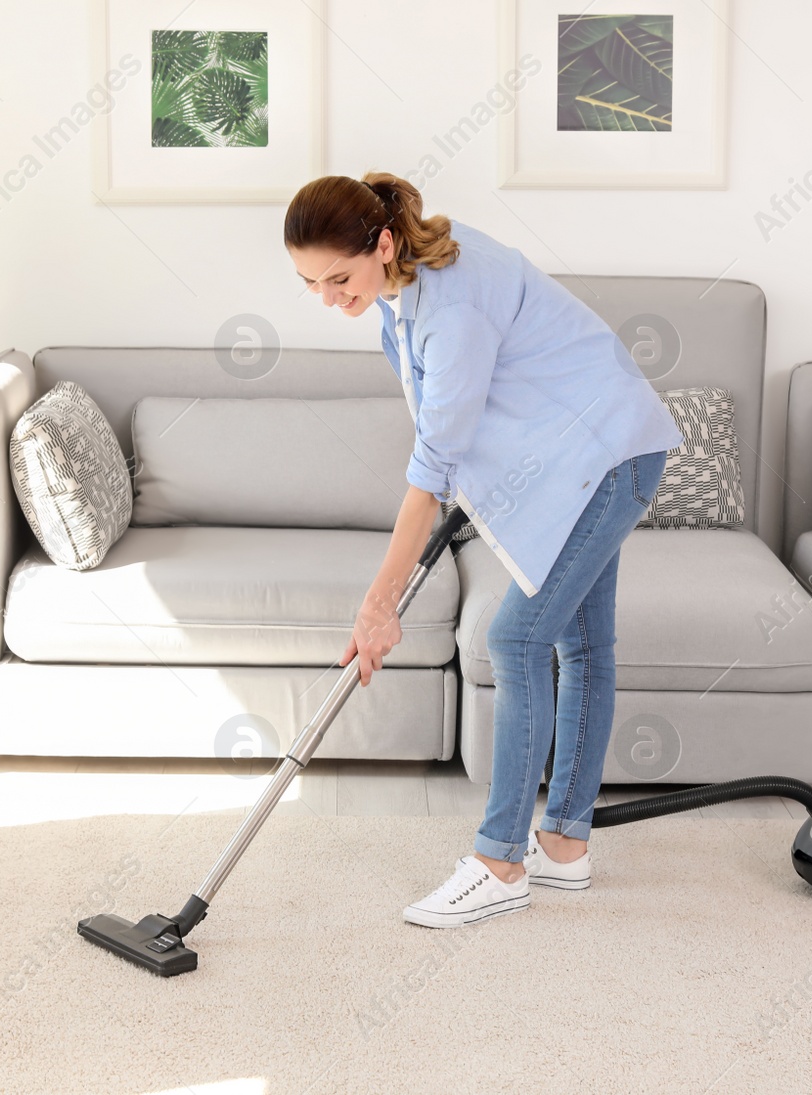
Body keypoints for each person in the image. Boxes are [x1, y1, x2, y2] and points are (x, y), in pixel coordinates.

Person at [284, 172, 684, 928]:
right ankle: (564, 846)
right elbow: (453, 430)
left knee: (516, 636)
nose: (329, 296)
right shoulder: (403, 300)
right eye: (310, 283)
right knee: (583, 644)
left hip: (611, 454)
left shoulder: (452, 308)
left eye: (339, 277)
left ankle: (501, 861)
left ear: (385, 243)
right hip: (586, 456)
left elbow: (429, 470)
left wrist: (379, 606)